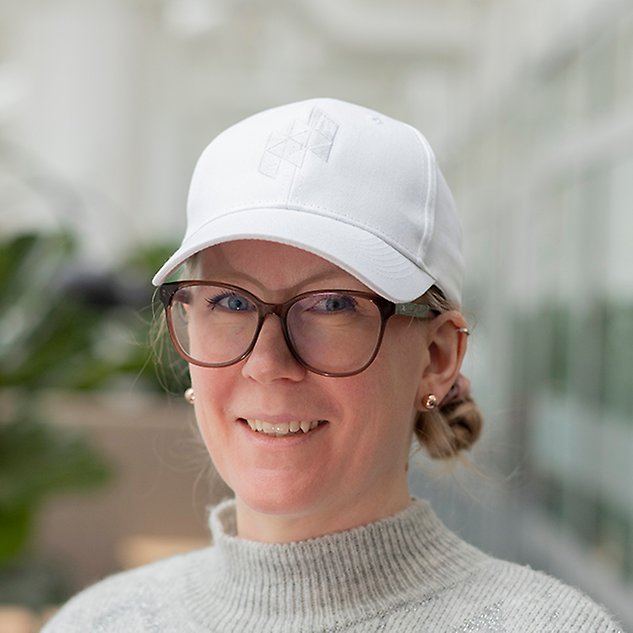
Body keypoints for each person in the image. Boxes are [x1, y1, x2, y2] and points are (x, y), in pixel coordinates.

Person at [42, 98, 622, 632]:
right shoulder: (100, 622)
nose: (268, 364)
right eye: (230, 301)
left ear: (437, 357)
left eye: (332, 305)